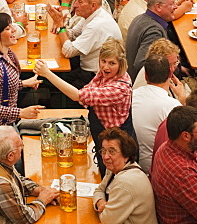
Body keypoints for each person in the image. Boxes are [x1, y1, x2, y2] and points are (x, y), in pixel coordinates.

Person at [36, 38, 133, 176]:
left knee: (114, 183)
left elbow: (78, 96)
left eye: (112, 63)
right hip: (103, 141)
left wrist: (47, 74)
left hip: (118, 148)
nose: (105, 67)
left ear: (121, 64)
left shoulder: (120, 88)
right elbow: (84, 96)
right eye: (103, 61)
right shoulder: (104, 75)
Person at [92, 127, 166, 224]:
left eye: (112, 151)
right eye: (103, 151)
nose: (106, 157)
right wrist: (101, 202)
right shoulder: (115, 170)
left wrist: (105, 207)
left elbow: (108, 220)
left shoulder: (126, 183)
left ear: (126, 155)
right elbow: (99, 189)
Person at [0, 12, 43, 151]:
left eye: (12, 26)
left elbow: (2, 84)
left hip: (5, 126)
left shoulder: (7, 52)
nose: (14, 30)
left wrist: (23, 83)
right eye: (7, 29)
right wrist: (20, 113)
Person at [53, 0, 122, 87]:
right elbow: (73, 33)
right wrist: (61, 27)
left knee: (53, 79)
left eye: (80, 2)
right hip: (86, 66)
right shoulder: (92, 14)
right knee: (51, 74)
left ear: (93, 5)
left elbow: (68, 51)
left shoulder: (96, 26)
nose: (75, 5)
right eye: (76, 0)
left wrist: (60, 27)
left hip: (97, 77)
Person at [131, 54, 181, 172]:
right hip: (158, 170)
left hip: (131, 164)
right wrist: (182, 100)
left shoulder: (131, 95)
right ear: (170, 74)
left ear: (145, 75)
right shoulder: (173, 106)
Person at [125, 0, 183, 80]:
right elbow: (142, 65)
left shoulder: (139, 18)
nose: (176, 7)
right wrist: (174, 69)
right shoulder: (154, 31)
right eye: (172, 4)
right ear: (158, 7)